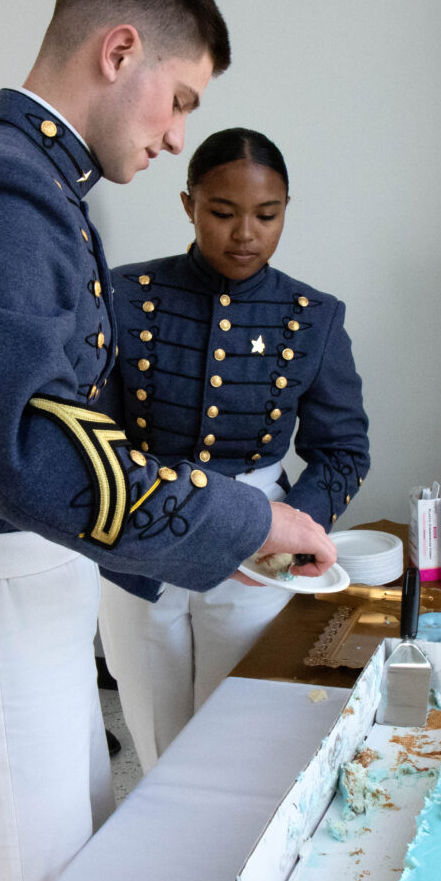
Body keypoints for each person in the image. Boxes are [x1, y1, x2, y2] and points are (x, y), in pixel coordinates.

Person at [0, 0, 335, 881]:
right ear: (119, 50)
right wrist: (241, 519)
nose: (179, 131)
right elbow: (37, 451)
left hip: (37, 585)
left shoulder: (29, 185)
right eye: (180, 98)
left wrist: (202, 542)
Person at [98, 127, 370, 771]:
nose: (245, 232)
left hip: (259, 544)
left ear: (284, 211)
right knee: (158, 743)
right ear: (189, 204)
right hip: (141, 537)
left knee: (239, 738)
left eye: (266, 215)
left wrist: (296, 530)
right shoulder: (124, 296)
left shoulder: (313, 316)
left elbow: (343, 451)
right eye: (222, 212)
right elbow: (95, 432)